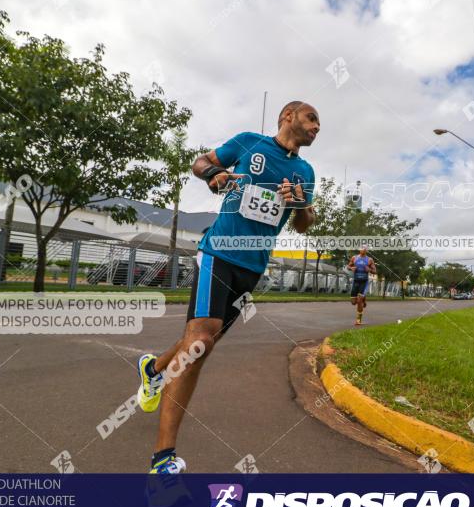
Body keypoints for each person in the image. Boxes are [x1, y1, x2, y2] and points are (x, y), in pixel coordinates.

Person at [135, 101, 319, 477]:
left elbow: (304, 224)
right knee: (200, 342)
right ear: (288, 116)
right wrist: (216, 174)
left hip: (252, 267)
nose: (317, 127)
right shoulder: (249, 142)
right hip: (219, 251)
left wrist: (299, 204)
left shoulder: (305, 171)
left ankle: (154, 369)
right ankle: (163, 460)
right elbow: (200, 162)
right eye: (312, 119)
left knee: (204, 338)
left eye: (319, 123)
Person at [347, 246, 376, 325]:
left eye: (364, 248)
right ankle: (363, 299)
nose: (362, 249)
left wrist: (369, 270)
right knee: (353, 302)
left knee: (359, 301)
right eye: (361, 248)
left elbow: (374, 271)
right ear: (359, 249)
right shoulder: (354, 258)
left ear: (366, 250)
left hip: (364, 282)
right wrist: (351, 268)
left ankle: (358, 319)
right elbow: (348, 266)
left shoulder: (369, 260)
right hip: (356, 281)